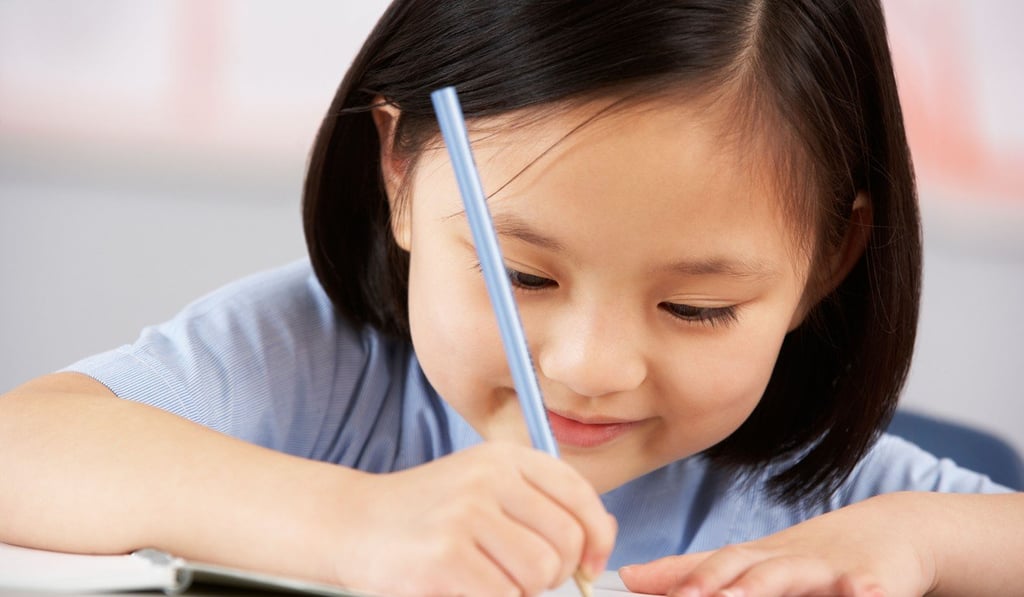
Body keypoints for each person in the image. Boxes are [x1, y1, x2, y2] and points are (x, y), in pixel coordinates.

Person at [1, 1, 1021, 595]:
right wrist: (353, 524)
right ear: (400, 175)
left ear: (830, 262)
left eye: (697, 307)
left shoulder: (811, 495)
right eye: (520, 275)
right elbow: (24, 447)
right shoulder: (326, 367)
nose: (587, 365)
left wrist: (916, 543)